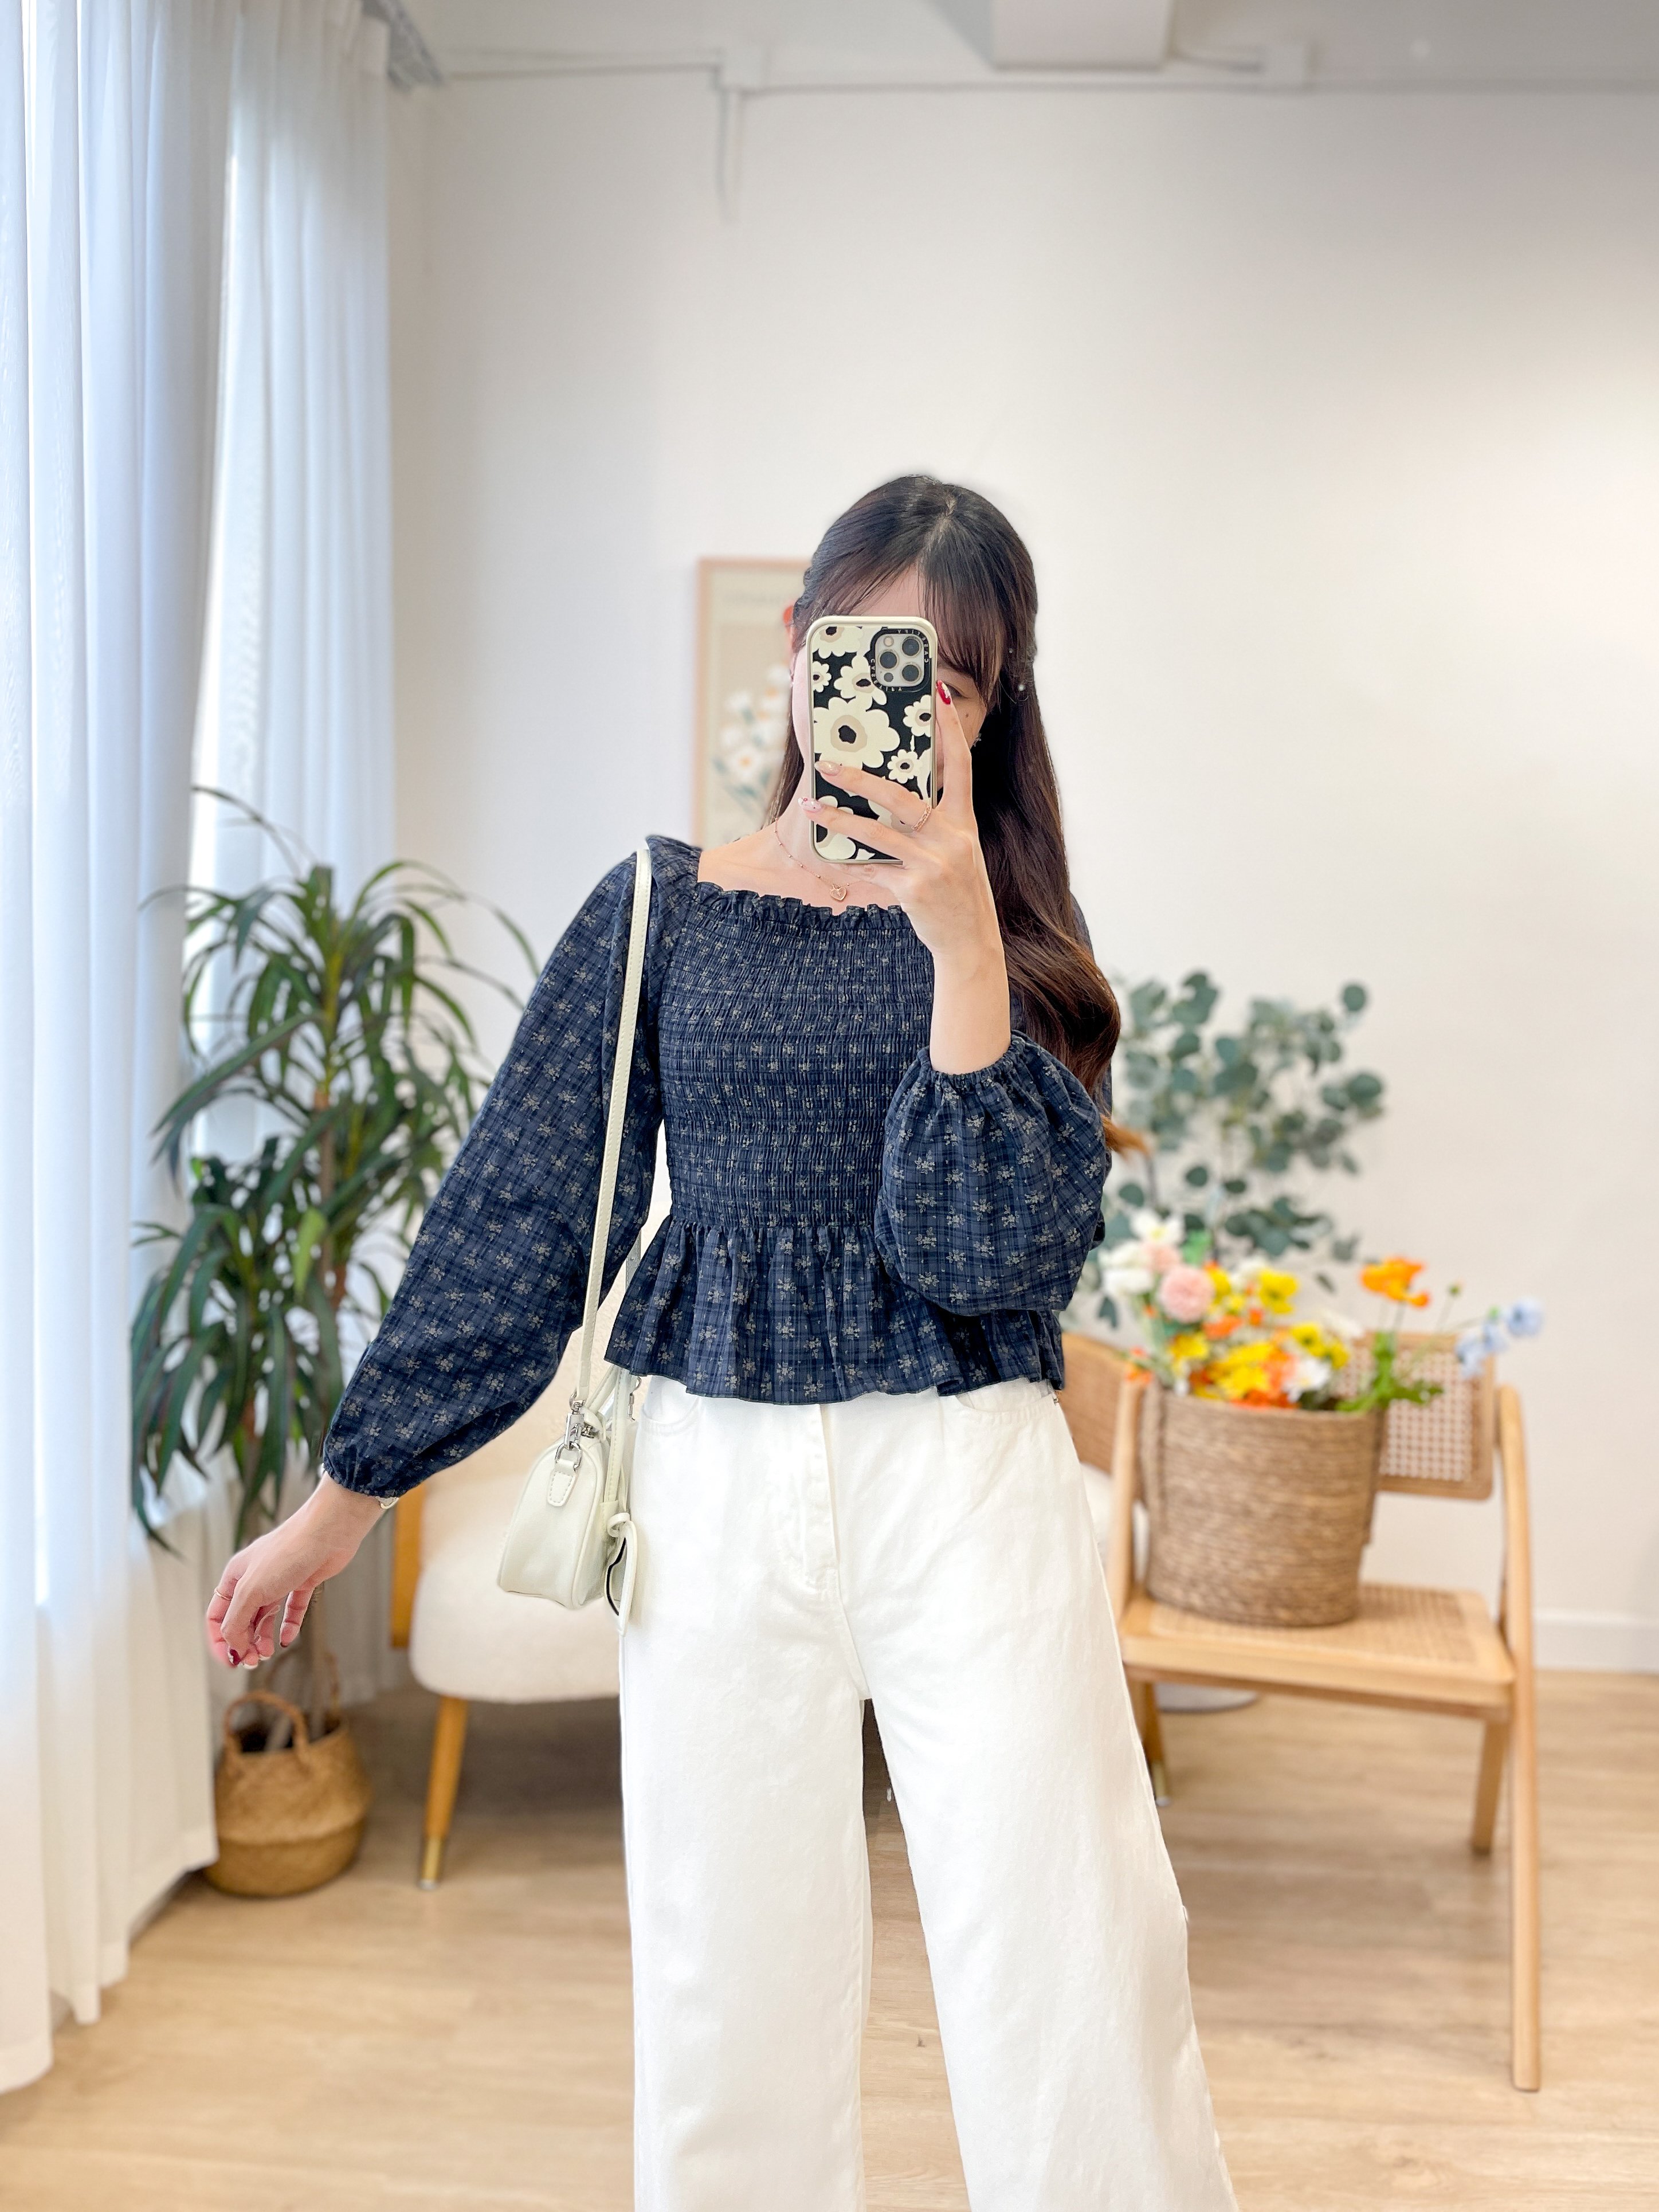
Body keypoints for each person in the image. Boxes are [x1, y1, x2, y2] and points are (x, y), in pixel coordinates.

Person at [208, 476, 1238, 2212]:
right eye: (875, 653)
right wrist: (340, 1506)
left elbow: (979, 1260)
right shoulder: (659, 909)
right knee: (726, 1973)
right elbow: (522, 1215)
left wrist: (960, 943)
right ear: (799, 647)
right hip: (713, 1482)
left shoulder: (1022, 952)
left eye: (956, 678)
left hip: (966, 1480)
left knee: (1067, 1939)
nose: (914, 700)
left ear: (991, 711)